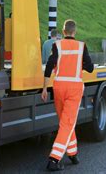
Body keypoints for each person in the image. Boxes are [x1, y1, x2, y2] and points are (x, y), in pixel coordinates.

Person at [41, 20, 94, 171]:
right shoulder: (81, 46)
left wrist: (45, 88)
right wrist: (80, 63)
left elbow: (49, 66)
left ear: (63, 32)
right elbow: (90, 68)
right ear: (74, 32)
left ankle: (72, 153)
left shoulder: (56, 45)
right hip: (74, 88)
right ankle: (54, 159)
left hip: (58, 87)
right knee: (68, 123)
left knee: (65, 122)